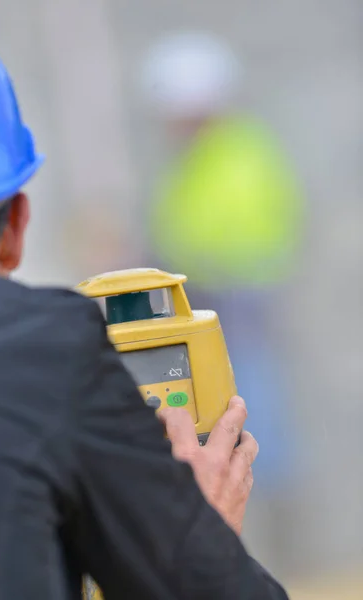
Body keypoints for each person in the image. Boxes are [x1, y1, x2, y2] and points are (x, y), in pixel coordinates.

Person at [0, 26, 288, 599]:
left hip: (235, 300)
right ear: (15, 225)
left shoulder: (234, 159)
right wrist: (189, 540)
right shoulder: (45, 346)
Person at [141, 31, 305, 493]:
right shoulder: (210, 153)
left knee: (250, 392)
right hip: (217, 290)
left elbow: (229, 233)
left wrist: (176, 265)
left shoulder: (233, 154)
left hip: (236, 293)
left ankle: (263, 489)